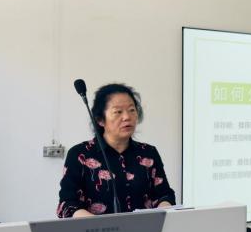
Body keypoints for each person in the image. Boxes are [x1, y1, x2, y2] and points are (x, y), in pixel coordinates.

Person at [57, 83, 175, 218]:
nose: (127, 117)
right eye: (118, 112)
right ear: (100, 120)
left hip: (144, 229)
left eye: (132, 110)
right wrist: (97, 225)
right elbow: (67, 204)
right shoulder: (79, 155)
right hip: (95, 230)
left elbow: (164, 194)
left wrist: (164, 209)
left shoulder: (148, 153)